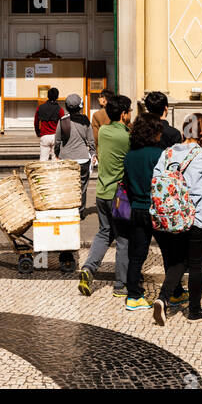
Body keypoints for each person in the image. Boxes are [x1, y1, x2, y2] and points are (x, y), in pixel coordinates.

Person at [152, 112, 202, 326]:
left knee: (177, 261)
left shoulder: (167, 153)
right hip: (196, 217)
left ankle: (162, 298)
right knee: (196, 265)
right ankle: (194, 310)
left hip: (171, 216)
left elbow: (156, 178)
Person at [78, 94, 131, 298]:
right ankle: (120, 285)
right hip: (118, 195)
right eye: (129, 112)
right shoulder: (125, 136)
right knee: (123, 239)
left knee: (104, 232)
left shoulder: (105, 131)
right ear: (124, 114)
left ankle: (89, 269)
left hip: (101, 192)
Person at [123, 113, 165, 310]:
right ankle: (173, 292)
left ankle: (133, 295)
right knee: (170, 253)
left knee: (137, 255)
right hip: (157, 210)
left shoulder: (130, 155)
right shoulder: (159, 155)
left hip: (137, 208)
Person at [54, 93, 95, 215]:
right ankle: (80, 211)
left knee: (66, 185)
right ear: (80, 107)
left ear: (66, 106)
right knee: (82, 186)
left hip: (66, 158)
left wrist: (57, 152)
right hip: (82, 158)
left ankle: (68, 209)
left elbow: (57, 141)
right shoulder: (85, 120)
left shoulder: (62, 121)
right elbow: (91, 140)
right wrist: (93, 153)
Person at [34, 87, 64, 162]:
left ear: (48, 96)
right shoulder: (60, 110)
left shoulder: (40, 108)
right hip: (55, 136)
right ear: (57, 97)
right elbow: (63, 124)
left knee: (43, 160)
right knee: (56, 159)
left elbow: (36, 122)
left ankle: (43, 173)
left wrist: (38, 132)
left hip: (44, 136)